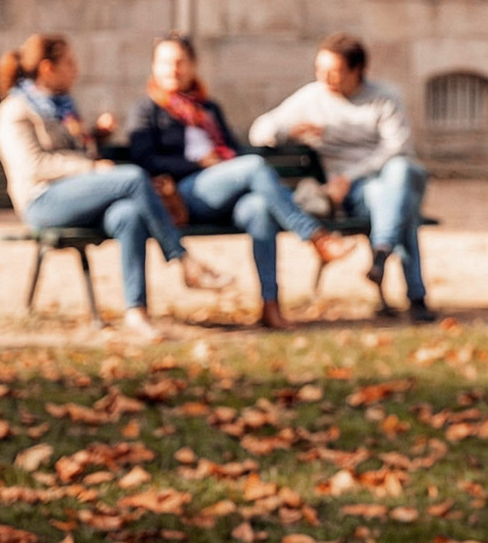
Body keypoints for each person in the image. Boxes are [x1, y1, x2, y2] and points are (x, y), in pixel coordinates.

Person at [0, 33, 229, 341]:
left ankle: (137, 313)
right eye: (69, 64)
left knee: (128, 214)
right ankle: (184, 260)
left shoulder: (61, 107)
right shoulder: (16, 110)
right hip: (43, 202)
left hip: (76, 196)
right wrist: (90, 167)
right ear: (48, 68)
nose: (76, 70)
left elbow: (70, 150)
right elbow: (35, 165)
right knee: (131, 177)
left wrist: (95, 136)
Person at [127, 34, 355, 330]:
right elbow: (144, 159)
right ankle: (315, 237)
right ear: (154, 67)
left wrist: (223, 163)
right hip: (184, 193)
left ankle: (271, 306)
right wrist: (198, 163)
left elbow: (233, 150)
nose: (174, 69)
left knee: (259, 209)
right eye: (166, 63)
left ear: (194, 65)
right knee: (253, 166)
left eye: (180, 62)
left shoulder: (208, 109)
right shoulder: (147, 110)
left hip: (224, 192)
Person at [249, 33, 434, 322]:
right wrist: (287, 131)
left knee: (398, 173)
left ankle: (383, 247)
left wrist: (349, 175)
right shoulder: (313, 97)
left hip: (383, 182)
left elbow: (396, 148)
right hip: (353, 197)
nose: (324, 78)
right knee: (402, 207)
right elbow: (259, 130)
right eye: (319, 70)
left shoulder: (384, 98)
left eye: (333, 72)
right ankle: (407, 285)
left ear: (357, 70)